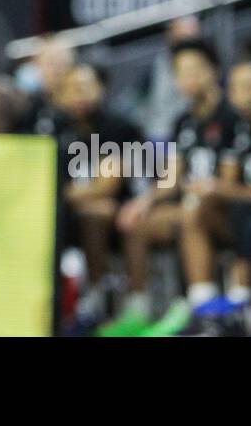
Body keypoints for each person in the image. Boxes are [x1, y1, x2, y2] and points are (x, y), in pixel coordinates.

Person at [99, 38, 239, 336]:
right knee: (137, 223)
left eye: (194, 70)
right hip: (191, 208)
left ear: (213, 70)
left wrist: (205, 191)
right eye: (180, 72)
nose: (187, 78)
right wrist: (143, 201)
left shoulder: (231, 115)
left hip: (231, 210)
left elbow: (231, 181)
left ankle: (204, 311)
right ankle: (138, 311)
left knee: (193, 209)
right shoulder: (183, 121)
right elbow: (171, 179)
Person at [176, 58, 251, 333]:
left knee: (246, 213)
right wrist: (212, 190)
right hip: (242, 211)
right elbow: (228, 177)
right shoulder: (236, 126)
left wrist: (225, 189)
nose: (245, 94)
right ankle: (203, 304)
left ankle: (241, 299)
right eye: (237, 88)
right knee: (199, 208)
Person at [46, 63, 145, 326]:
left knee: (95, 212)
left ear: (101, 89)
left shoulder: (118, 127)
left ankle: (97, 296)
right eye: (73, 89)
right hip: (65, 214)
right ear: (61, 95)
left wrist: (63, 193)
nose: (80, 95)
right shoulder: (54, 129)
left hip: (120, 210)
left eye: (86, 87)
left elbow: (106, 186)